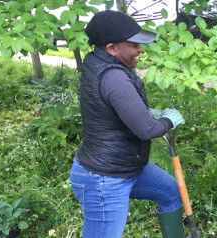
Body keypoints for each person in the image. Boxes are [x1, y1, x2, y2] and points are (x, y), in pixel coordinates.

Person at [69, 10, 188, 238]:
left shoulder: (96, 62)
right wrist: (168, 121)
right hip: (103, 179)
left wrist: (145, 112)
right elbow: (146, 130)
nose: (140, 49)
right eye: (134, 44)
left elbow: (108, 107)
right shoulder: (113, 76)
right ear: (112, 48)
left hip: (124, 167)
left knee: (171, 191)